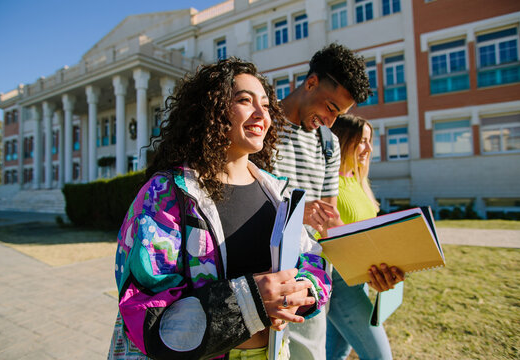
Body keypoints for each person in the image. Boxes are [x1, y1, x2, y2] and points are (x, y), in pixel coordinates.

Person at [107, 58, 332, 360]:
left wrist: (301, 290)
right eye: (244, 100)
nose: (261, 115)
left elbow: (311, 260)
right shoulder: (166, 195)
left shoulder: (277, 191)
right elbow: (147, 310)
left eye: (266, 105)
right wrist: (249, 301)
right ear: (211, 111)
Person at [271, 43, 401, 360]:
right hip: (263, 277)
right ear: (311, 83)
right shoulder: (262, 124)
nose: (330, 121)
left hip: (311, 280)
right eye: (330, 107)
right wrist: (296, 213)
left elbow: (329, 223)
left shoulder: (329, 143)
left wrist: (372, 263)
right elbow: (235, 200)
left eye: (339, 114)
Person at [327, 114, 405, 359]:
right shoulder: (327, 184)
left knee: (336, 353)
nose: (369, 148)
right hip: (340, 281)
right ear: (342, 141)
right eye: (362, 141)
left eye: (370, 141)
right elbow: (324, 236)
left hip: (362, 277)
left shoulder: (359, 181)